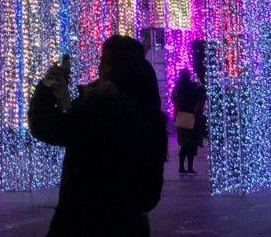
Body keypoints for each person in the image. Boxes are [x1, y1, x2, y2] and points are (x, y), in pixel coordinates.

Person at [28, 35, 168, 236]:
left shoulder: (100, 109)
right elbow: (150, 194)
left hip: (84, 223)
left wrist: (46, 89)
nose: (99, 68)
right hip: (129, 224)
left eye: (104, 62)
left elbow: (46, 126)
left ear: (115, 68)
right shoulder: (148, 113)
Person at [172, 69, 206, 175]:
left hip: (181, 116)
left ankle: (181, 167)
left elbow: (174, 99)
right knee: (192, 143)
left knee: (184, 143)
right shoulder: (192, 87)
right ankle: (190, 167)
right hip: (192, 117)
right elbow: (200, 96)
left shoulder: (177, 88)